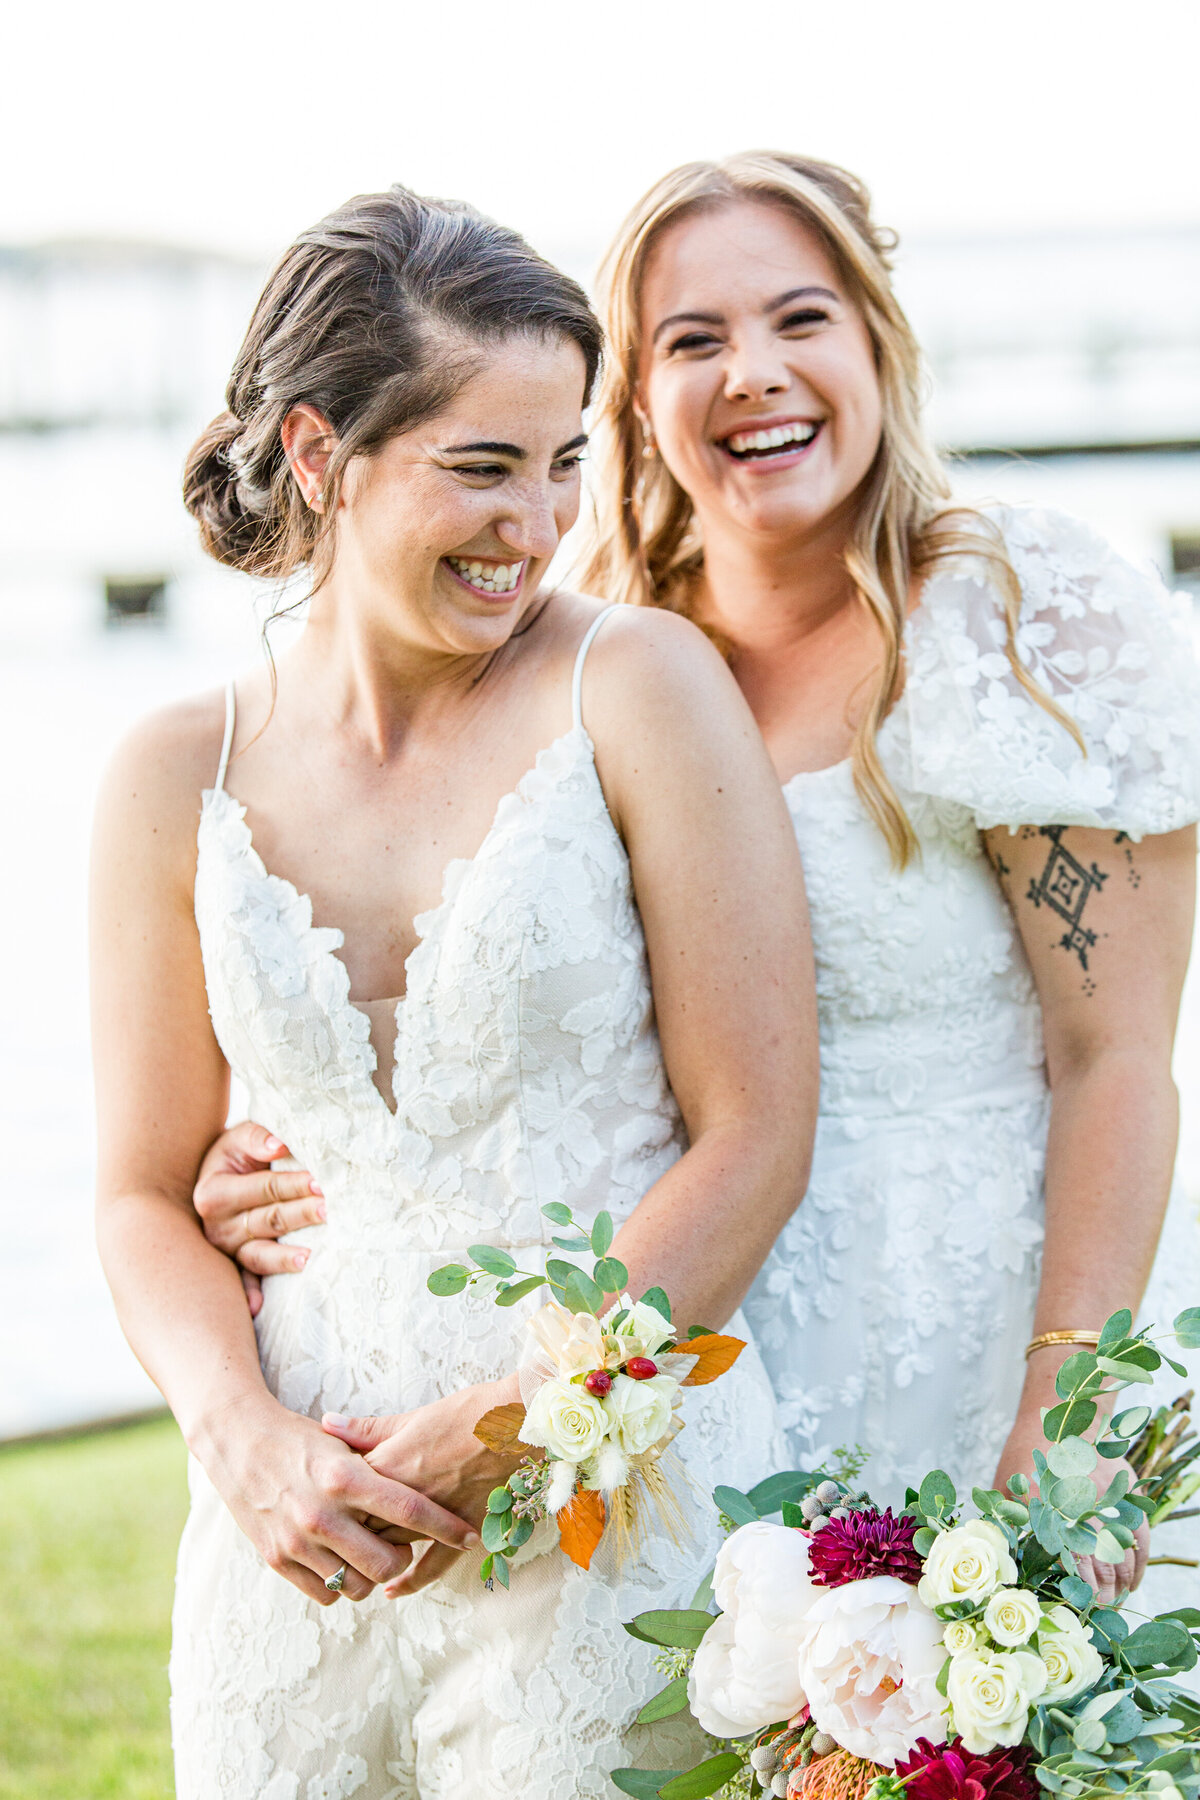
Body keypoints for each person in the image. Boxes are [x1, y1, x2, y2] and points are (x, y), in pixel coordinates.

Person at [197, 154, 1200, 1615]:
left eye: (801, 320)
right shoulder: (579, 659)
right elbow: (462, 981)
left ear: (875, 345)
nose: (755, 375)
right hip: (680, 1353)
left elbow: (1114, 1057)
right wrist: (289, 1152)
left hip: (986, 1318)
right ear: (633, 399)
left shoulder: (1020, 621)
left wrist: (1069, 1410)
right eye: (692, 342)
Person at [91, 184, 815, 1798]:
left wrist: (534, 1412)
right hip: (301, 1535)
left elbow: (756, 1134)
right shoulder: (169, 773)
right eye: (483, 467)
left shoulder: (636, 688)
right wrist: (239, 1436)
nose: (539, 522)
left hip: (606, 1508)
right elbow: (141, 1195)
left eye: (566, 463)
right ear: (315, 454)